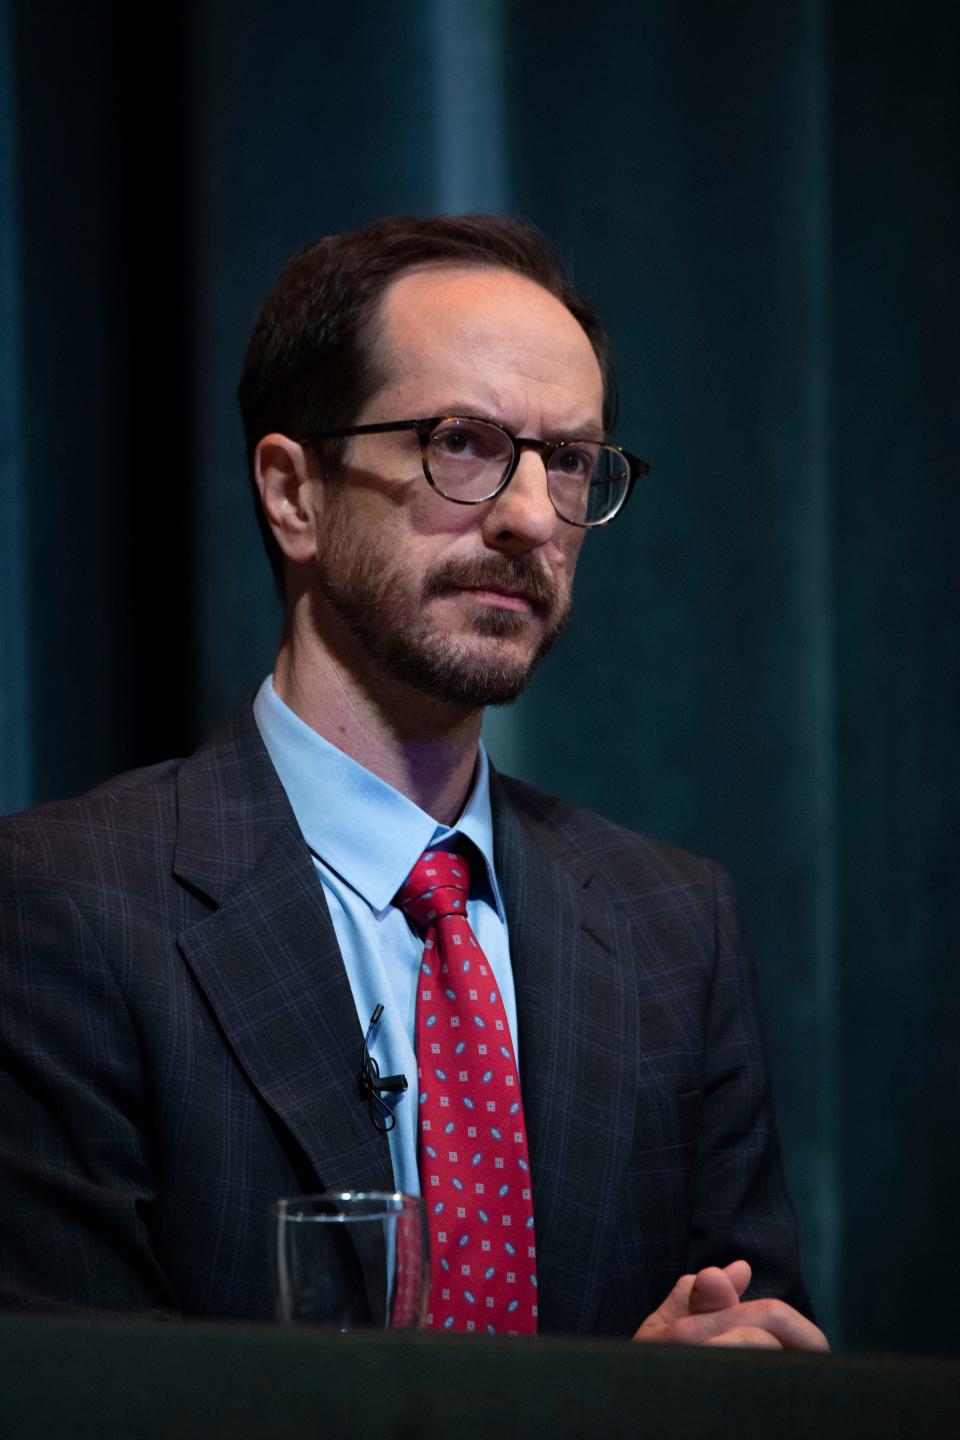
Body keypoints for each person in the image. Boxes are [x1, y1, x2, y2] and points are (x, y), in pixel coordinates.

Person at [0, 215, 826, 1349]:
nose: (533, 518)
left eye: (570, 459)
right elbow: (78, 1406)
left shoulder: (675, 933)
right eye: (463, 443)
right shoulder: (60, 909)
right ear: (295, 493)